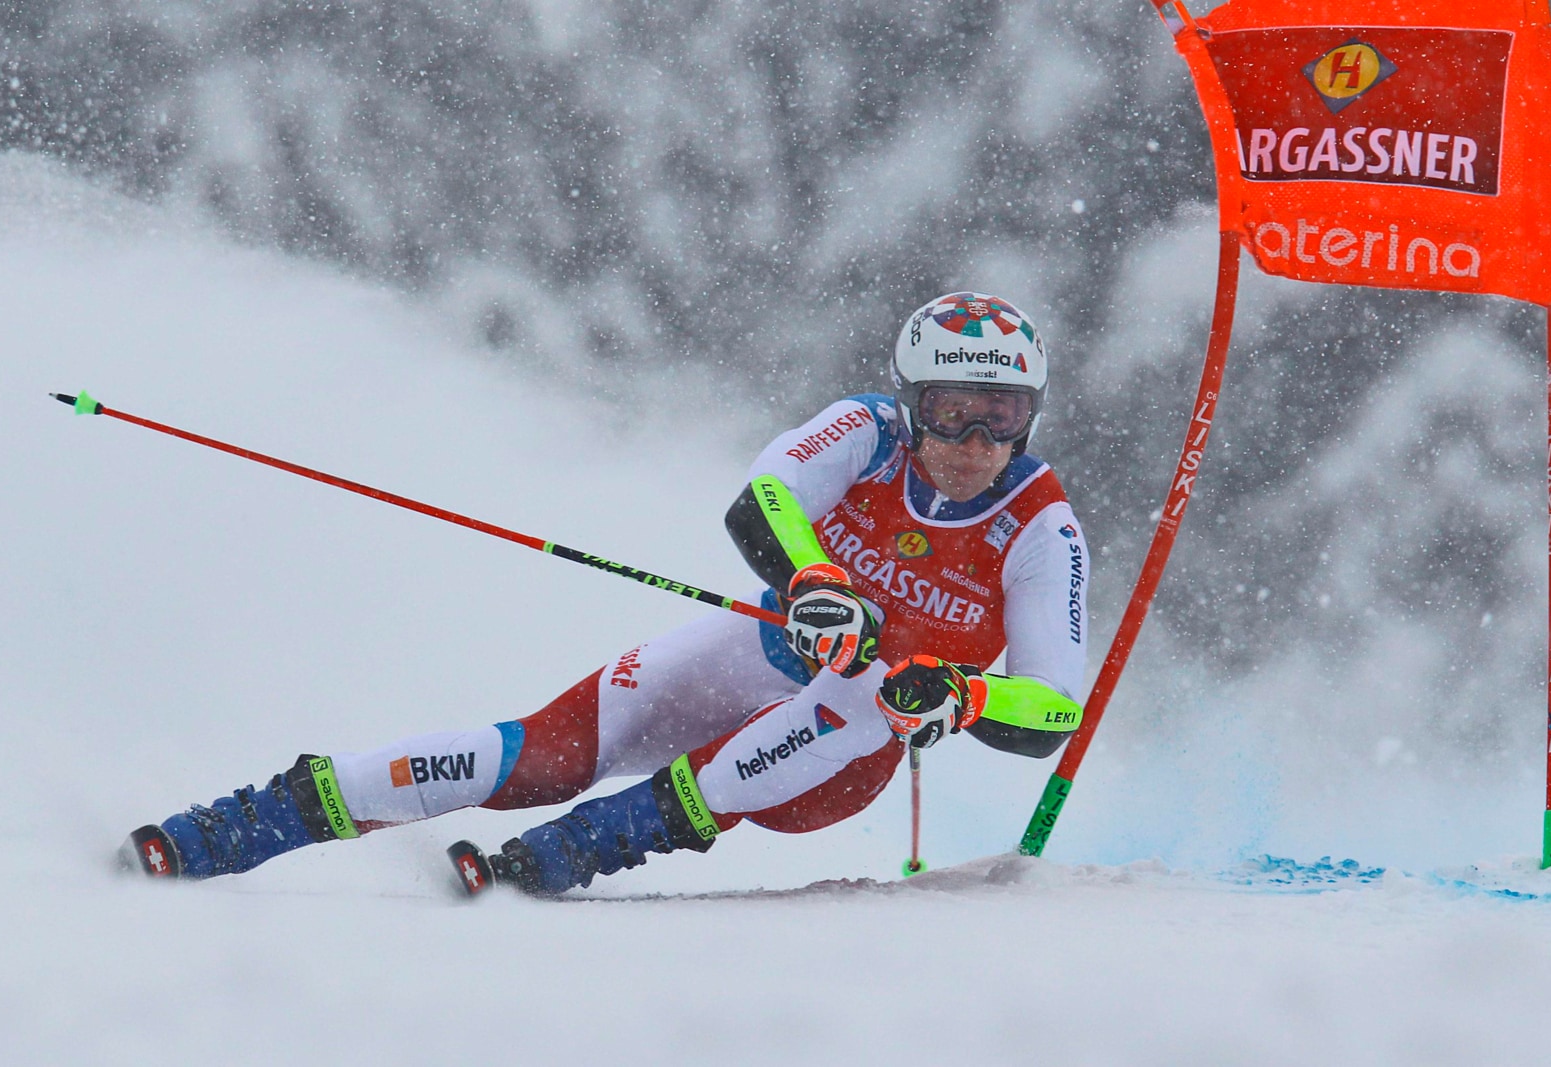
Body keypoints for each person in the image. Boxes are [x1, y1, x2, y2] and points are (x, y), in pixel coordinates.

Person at [122, 291, 1090, 895]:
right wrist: (814, 579)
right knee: (543, 751)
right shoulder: (866, 432)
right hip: (765, 649)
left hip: (841, 753)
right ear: (912, 403)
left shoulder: (1040, 529)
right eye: (953, 412)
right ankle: (266, 816)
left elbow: (1054, 704)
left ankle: (583, 847)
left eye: (1002, 417)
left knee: (866, 691)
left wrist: (964, 695)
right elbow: (764, 497)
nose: (976, 444)